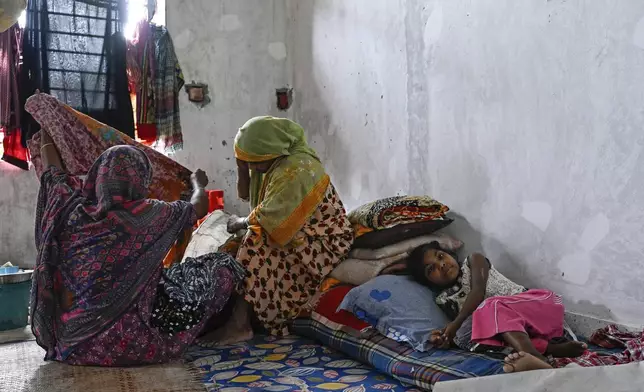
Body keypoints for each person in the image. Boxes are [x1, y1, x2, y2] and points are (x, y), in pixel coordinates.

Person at [32, 131, 243, 366]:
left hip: (72, 346)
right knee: (220, 268)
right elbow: (199, 207)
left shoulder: (71, 211)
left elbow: (53, 174)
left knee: (168, 278)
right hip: (133, 345)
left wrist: (46, 126)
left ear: (98, 176)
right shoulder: (146, 214)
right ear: (141, 179)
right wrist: (198, 183)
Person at [215, 116, 354, 342]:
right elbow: (246, 194)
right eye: (246, 160)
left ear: (270, 150)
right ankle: (241, 315)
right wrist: (241, 163)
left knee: (255, 241)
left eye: (254, 160)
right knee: (232, 248)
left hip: (325, 242)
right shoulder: (276, 162)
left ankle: (240, 324)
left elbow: (271, 220)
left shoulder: (295, 169)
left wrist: (240, 222)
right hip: (302, 233)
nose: (252, 167)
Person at [406, 241, 588, 373]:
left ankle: (536, 358)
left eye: (440, 256)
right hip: (518, 330)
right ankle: (548, 350)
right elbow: (467, 328)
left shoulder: (473, 261)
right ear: (428, 281)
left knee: (489, 306)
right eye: (432, 269)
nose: (442, 264)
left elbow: (478, 292)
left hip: (539, 305)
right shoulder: (444, 299)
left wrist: (454, 325)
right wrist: (446, 337)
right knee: (468, 336)